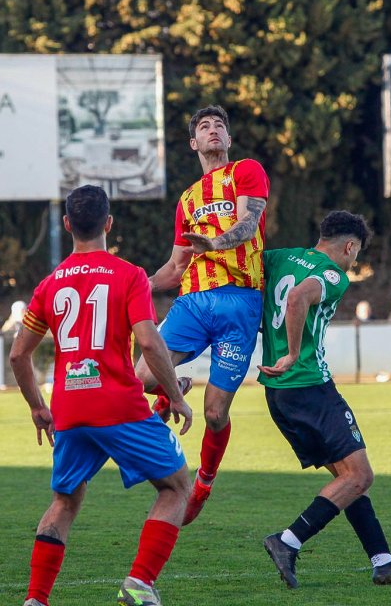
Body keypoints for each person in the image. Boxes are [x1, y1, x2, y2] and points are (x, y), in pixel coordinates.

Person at [10, 185, 193, 606]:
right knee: (177, 488)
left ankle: (36, 599)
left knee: (64, 501)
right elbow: (149, 343)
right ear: (109, 223)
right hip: (118, 404)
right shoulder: (128, 275)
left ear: (68, 225)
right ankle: (139, 583)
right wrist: (175, 396)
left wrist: (38, 407)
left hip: (69, 408)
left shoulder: (50, 284)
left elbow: (19, 354)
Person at [258, 211, 391, 588]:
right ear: (349, 246)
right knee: (360, 476)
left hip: (278, 393)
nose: (353, 263)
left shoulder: (280, 257)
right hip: (309, 386)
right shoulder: (332, 274)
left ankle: (383, 561)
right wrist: (293, 353)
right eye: (355, 255)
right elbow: (296, 298)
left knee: (348, 480)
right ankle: (287, 541)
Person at [135, 104, 269, 525]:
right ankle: (178, 385)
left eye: (220, 126)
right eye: (205, 127)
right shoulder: (188, 199)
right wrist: (136, 282)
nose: (213, 131)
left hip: (240, 304)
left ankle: (204, 483)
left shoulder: (246, 171)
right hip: (193, 302)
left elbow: (251, 223)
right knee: (140, 377)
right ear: (194, 143)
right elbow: (175, 267)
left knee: (215, 413)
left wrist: (214, 246)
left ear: (227, 140)